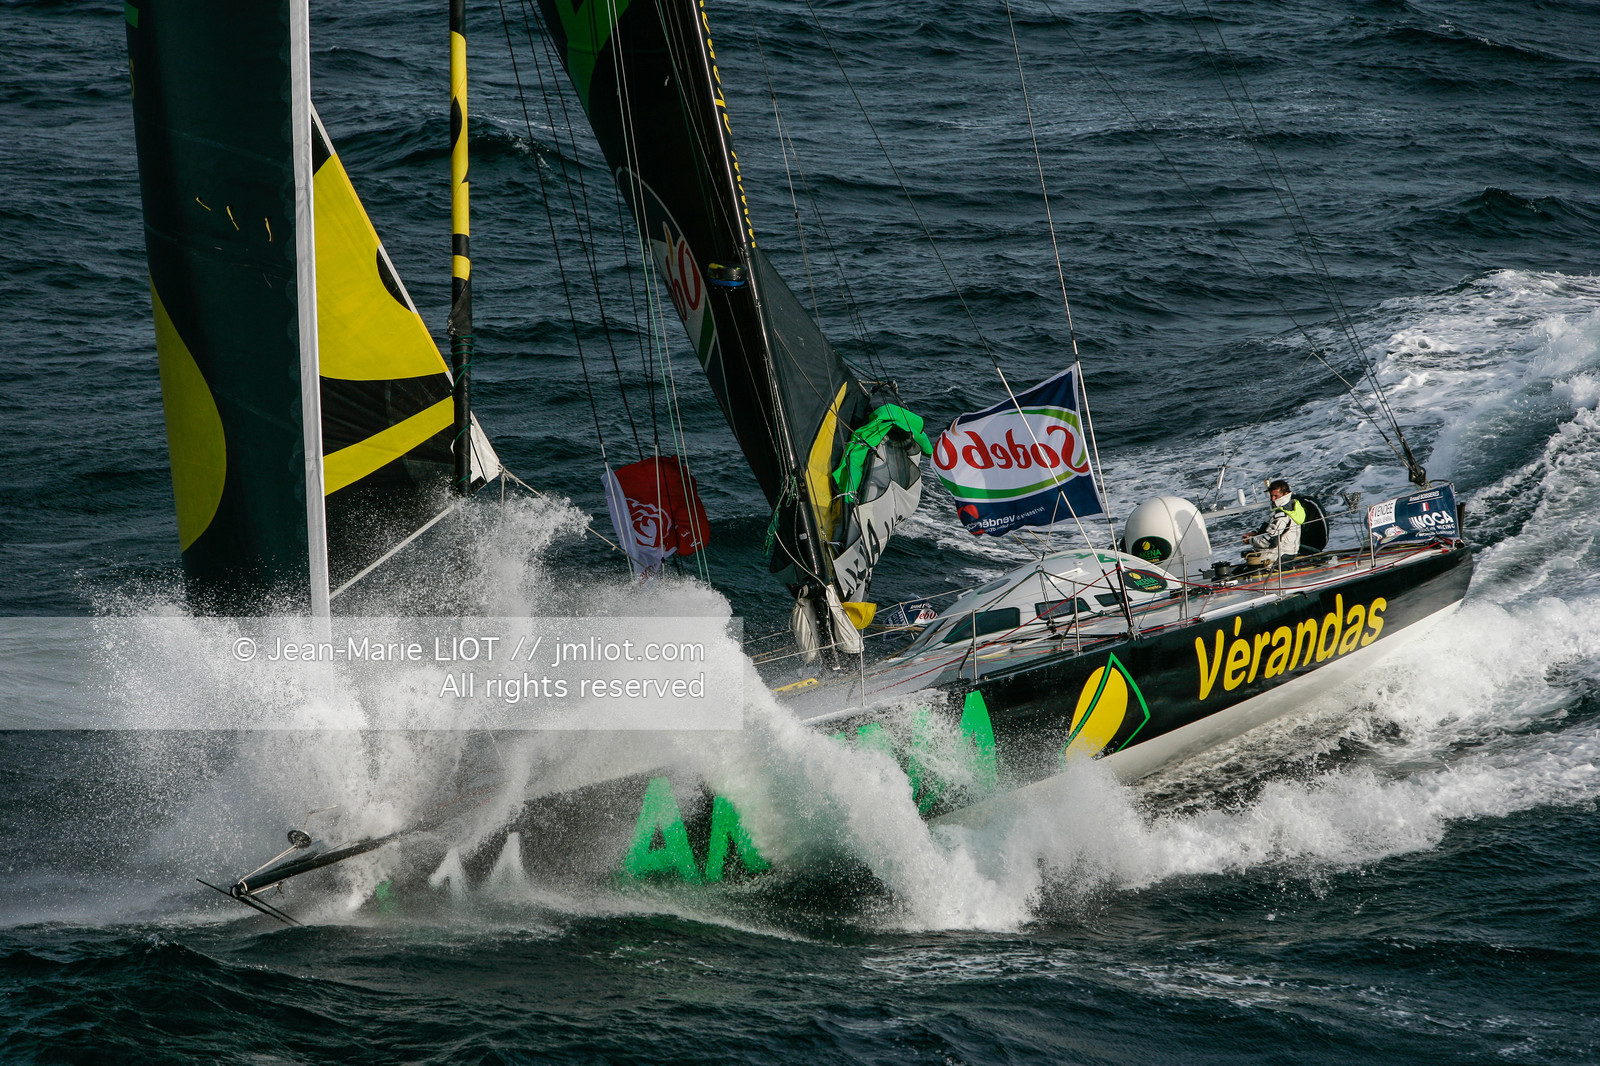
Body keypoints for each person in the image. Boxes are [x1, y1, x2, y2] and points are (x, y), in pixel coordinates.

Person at [1241, 479, 1306, 565]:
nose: (1272, 499)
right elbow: (1269, 528)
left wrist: (1250, 540)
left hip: (1279, 555)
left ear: (1285, 494)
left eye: (1276, 496)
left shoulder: (1282, 516)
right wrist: (1255, 533)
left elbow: (1271, 541)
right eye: (1271, 496)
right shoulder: (1292, 507)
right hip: (1286, 551)